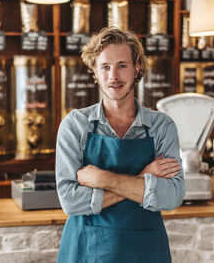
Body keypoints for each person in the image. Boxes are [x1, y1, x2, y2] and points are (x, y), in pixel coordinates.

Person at [55, 27, 185, 263]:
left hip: (144, 251)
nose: (113, 75)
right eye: (105, 66)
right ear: (95, 71)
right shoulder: (75, 126)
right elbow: (70, 201)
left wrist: (103, 179)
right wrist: (144, 176)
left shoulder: (161, 127)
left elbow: (172, 196)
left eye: (122, 65)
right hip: (86, 249)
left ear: (137, 68)